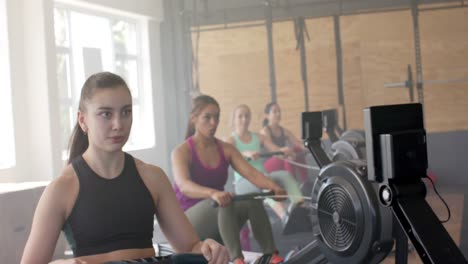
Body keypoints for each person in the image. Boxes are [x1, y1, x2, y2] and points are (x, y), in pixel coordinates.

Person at [21, 72, 229, 264]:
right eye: (105, 114)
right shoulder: (62, 189)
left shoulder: (153, 177)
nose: (118, 124)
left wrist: (208, 247)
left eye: (126, 112)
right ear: (83, 120)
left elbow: (190, 246)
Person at [171, 95, 286, 264]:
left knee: (253, 199)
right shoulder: (181, 151)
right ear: (194, 119)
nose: (213, 123)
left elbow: (252, 174)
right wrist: (213, 194)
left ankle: (271, 255)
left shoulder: (226, 149)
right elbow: (184, 186)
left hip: (219, 213)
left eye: (216, 117)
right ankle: (237, 259)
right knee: (225, 200)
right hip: (187, 225)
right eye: (207, 117)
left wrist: (275, 188)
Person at [226, 104, 304, 225]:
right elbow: (229, 156)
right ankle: (285, 217)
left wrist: (284, 152)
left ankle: (300, 208)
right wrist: (244, 153)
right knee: (266, 186)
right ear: (234, 120)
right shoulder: (231, 140)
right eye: (240, 116)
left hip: (263, 176)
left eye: (247, 116)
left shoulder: (258, 137)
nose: (244, 119)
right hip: (243, 181)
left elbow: (275, 150)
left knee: (285, 175)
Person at [260, 102, 308, 183]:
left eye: (279, 111)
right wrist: (287, 153)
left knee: (297, 149)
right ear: (267, 116)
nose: (278, 114)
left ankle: (306, 182)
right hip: (267, 165)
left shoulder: (283, 131)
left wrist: (308, 146)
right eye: (275, 112)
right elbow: (273, 150)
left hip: (282, 158)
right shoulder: (265, 131)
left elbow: (298, 143)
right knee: (287, 156)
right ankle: (293, 185)